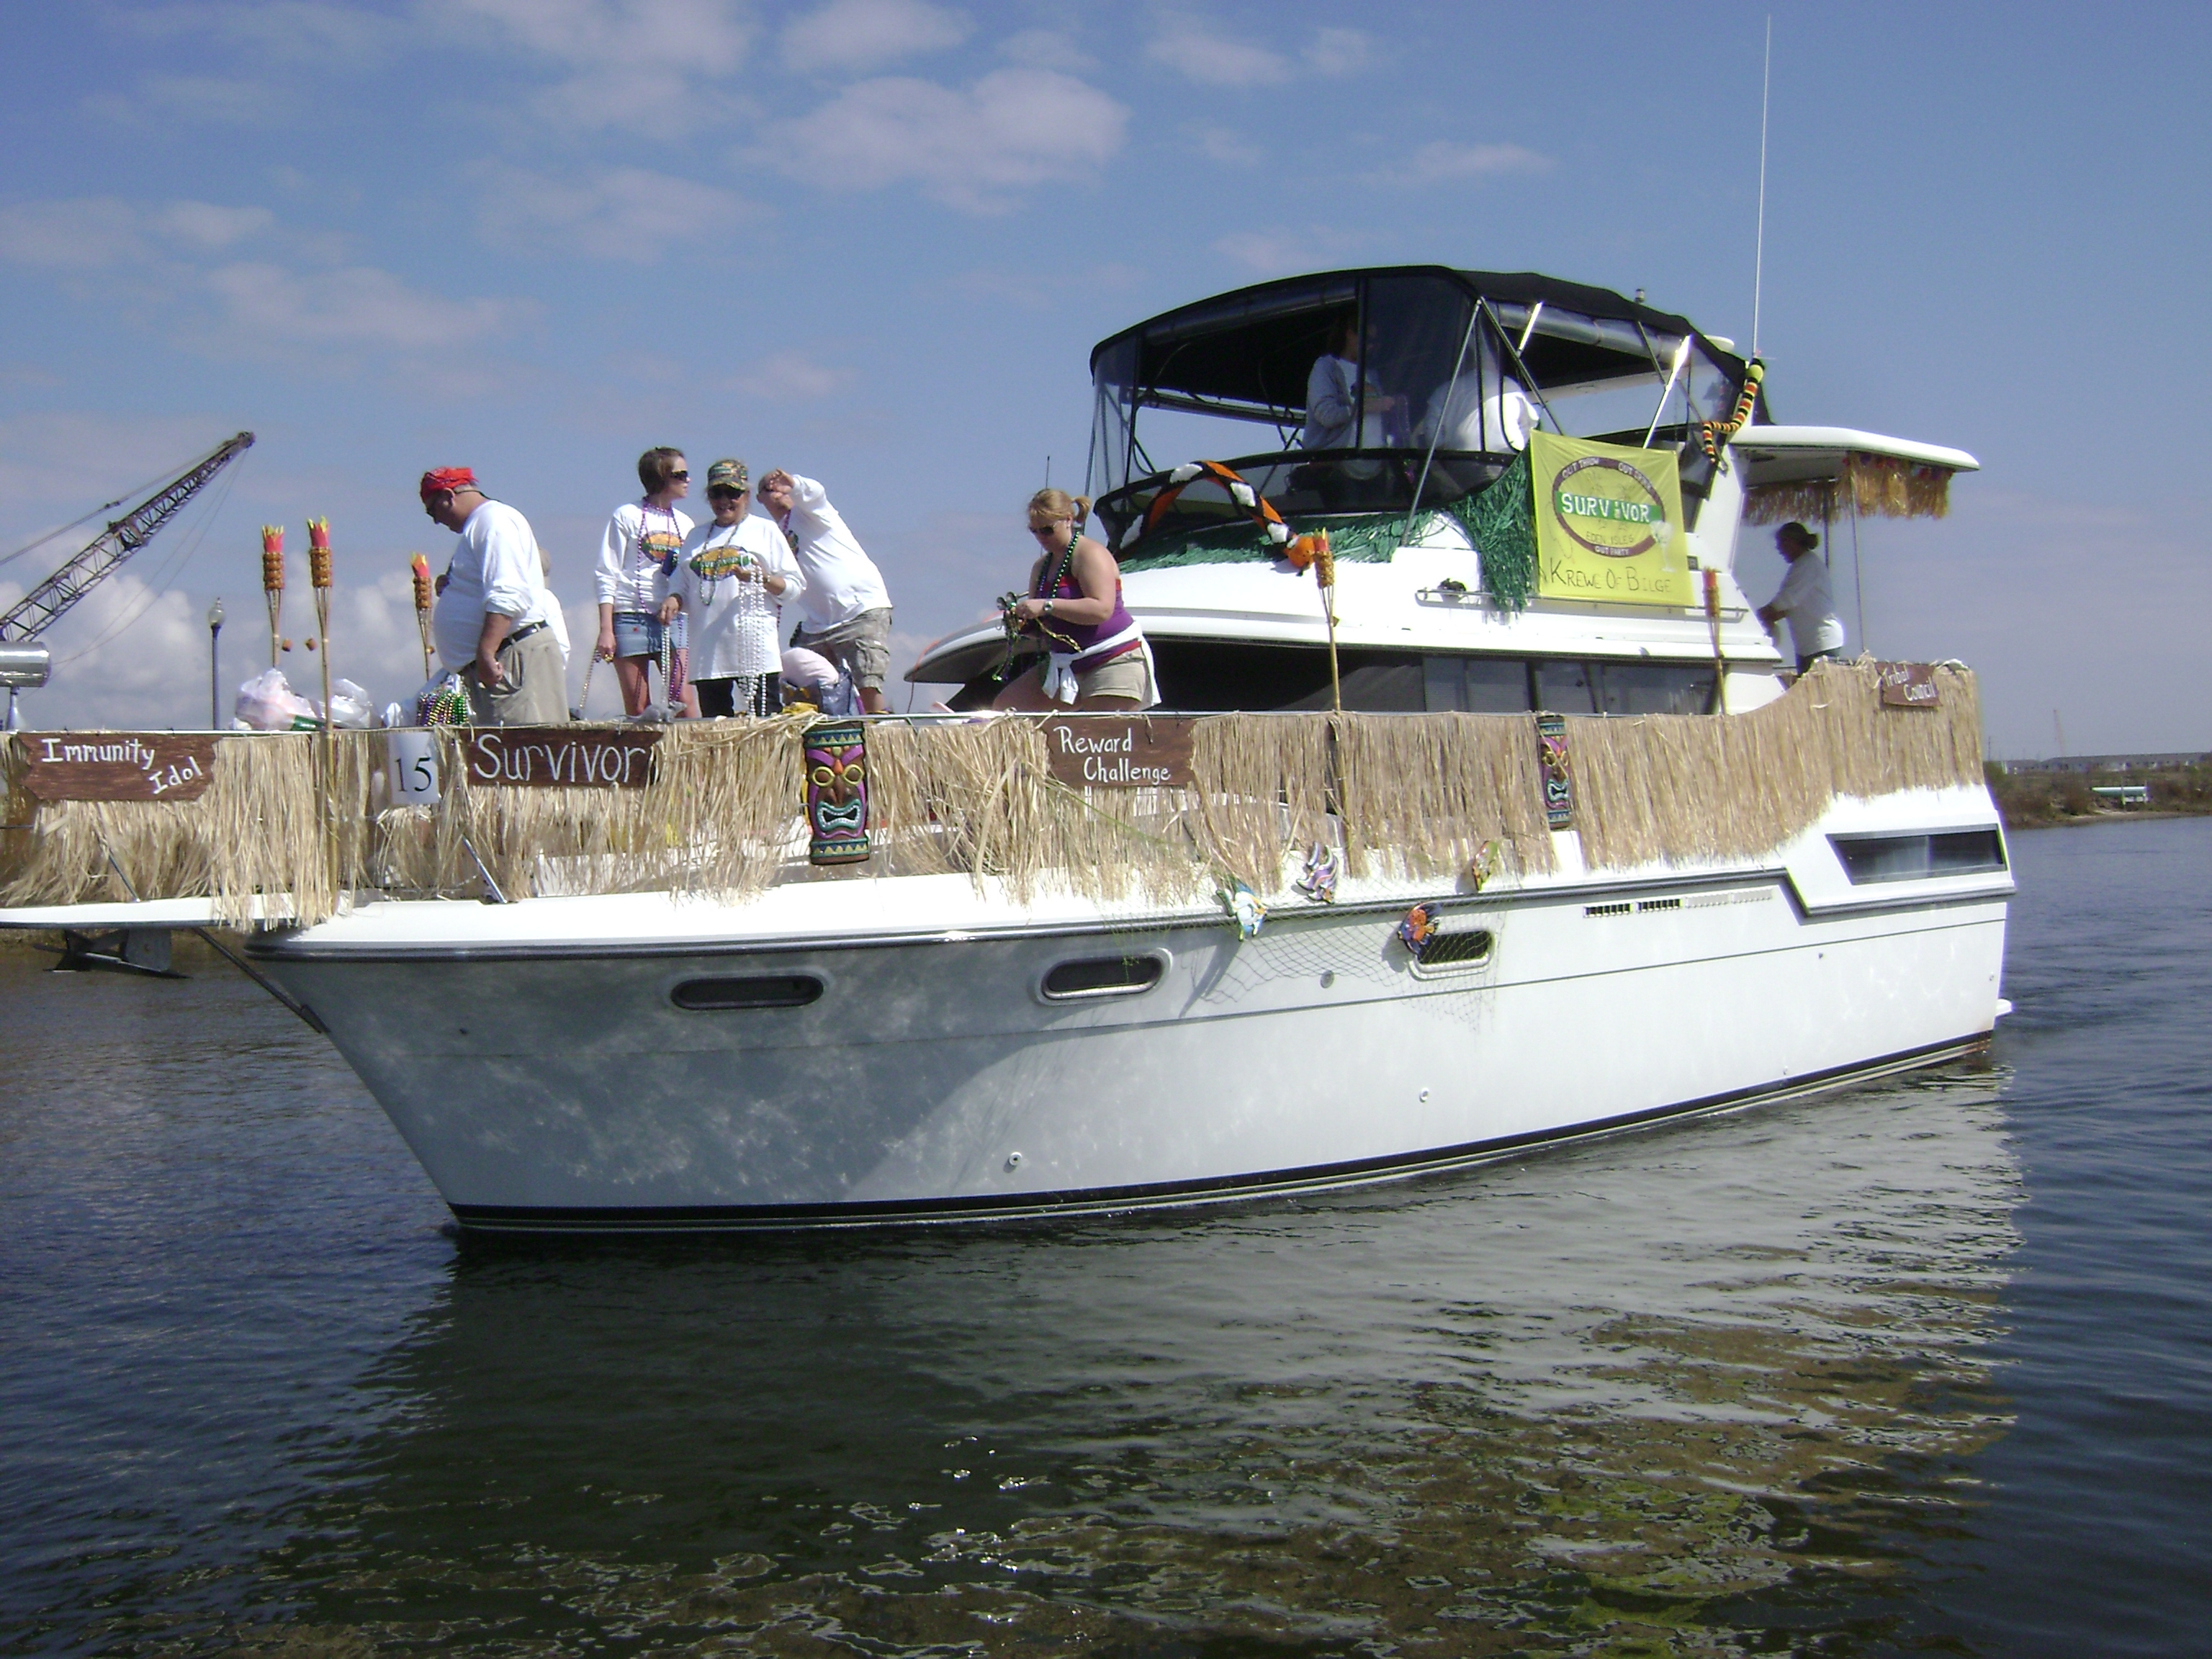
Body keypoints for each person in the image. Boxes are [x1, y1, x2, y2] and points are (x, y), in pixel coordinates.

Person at [419, 466, 568, 725]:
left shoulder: (494, 521)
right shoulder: (480, 526)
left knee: (525, 745)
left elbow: (508, 592)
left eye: (433, 511)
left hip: (511, 657)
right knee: (508, 747)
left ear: (448, 496)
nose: (436, 521)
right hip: (502, 658)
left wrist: (486, 651)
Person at [992, 488, 1156, 711]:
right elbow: (1046, 626)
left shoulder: (1090, 554)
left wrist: (1047, 605)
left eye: (1047, 530)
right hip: (1065, 664)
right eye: (1034, 531)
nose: (1041, 537)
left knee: (1097, 730)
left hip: (1112, 659)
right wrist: (1024, 624)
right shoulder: (1041, 567)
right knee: (1007, 707)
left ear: (1068, 520)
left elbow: (1101, 609)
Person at [667, 459, 801, 719]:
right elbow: (680, 584)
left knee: (767, 725)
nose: (724, 501)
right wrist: (673, 599)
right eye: (716, 494)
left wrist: (760, 578)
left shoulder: (765, 530)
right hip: (709, 655)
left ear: (746, 495)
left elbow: (794, 588)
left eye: (732, 493)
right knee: (716, 730)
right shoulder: (696, 536)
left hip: (756, 653)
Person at [756, 469, 894, 714]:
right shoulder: (770, 536)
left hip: (859, 609)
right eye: (770, 489)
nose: (778, 492)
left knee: (867, 679)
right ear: (759, 499)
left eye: (781, 486)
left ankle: (879, 728)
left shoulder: (810, 512)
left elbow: (816, 493)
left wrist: (795, 483)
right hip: (817, 624)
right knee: (804, 685)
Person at [594, 447, 695, 717]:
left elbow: (688, 575)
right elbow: (607, 572)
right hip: (630, 615)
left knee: (684, 700)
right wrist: (606, 629)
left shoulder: (686, 523)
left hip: (672, 617)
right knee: (639, 707)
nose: (688, 480)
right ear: (661, 476)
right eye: (680, 475)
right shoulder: (626, 515)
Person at [1301, 313, 1404, 451]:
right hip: (1338, 458)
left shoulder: (1372, 374)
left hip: (1374, 459)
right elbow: (1326, 415)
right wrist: (1367, 407)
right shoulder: (1327, 366)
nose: (1371, 346)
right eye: (1368, 339)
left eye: (1374, 341)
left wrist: (1393, 406)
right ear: (1350, 334)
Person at [1756, 521, 1846, 672]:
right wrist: (1768, 616)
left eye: (1782, 543)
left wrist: (1756, 616)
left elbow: (1786, 600)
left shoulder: (1807, 564)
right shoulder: (1802, 565)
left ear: (1792, 542)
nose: (1779, 549)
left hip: (1821, 643)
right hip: (1807, 646)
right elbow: (1790, 607)